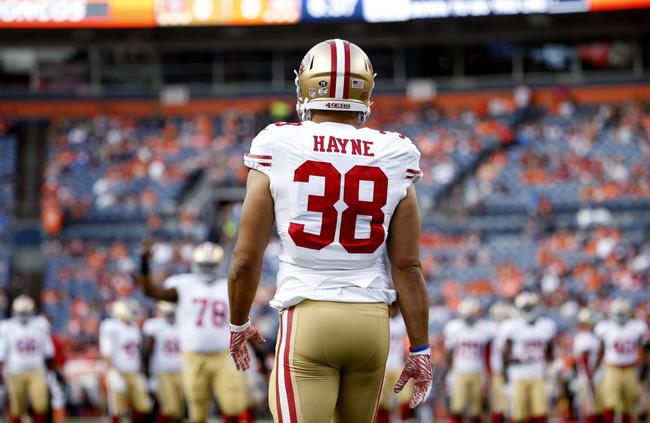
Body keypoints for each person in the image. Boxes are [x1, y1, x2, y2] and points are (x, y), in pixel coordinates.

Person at [227, 38, 432, 423]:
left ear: (306, 85)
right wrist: (420, 348)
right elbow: (408, 267)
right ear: (366, 90)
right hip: (371, 323)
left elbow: (245, 257)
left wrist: (238, 322)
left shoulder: (278, 141)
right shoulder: (396, 150)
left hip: (308, 314)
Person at [139, 242, 250, 423]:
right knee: (197, 411)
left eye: (211, 265)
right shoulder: (184, 284)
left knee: (234, 405)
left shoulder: (227, 285)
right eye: (204, 265)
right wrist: (144, 265)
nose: (207, 269)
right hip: (193, 356)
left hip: (223, 355)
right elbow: (150, 291)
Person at [502, 292, 556, 423]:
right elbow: (505, 355)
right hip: (518, 375)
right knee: (518, 414)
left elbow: (550, 352)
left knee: (540, 412)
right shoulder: (512, 326)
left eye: (530, 307)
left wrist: (550, 369)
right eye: (525, 308)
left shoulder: (546, 326)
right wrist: (519, 360)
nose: (528, 311)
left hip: (538, 374)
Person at [0, 295, 55, 423]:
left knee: (41, 404)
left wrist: (52, 369)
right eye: (20, 312)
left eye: (25, 312)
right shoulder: (6, 327)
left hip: (37, 370)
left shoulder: (40, 324)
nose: (23, 315)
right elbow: (2, 353)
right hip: (14, 371)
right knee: (17, 407)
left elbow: (48, 350)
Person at [594, 298, 647, 423]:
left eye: (623, 313)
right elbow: (601, 350)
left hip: (630, 368)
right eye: (618, 313)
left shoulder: (636, 326)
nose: (620, 316)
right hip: (612, 369)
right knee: (610, 402)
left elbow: (642, 350)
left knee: (628, 402)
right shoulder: (605, 327)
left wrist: (643, 369)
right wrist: (596, 369)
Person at [99, 300, 152, 423]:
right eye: (132, 312)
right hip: (118, 371)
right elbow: (107, 352)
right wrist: (111, 372)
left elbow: (137, 354)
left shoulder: (134, 328)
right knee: (118, 408)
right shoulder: (110, 327)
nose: (135, 315)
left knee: (144, 406)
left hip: (134, 372)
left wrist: (141, 372)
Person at [443, 298, 492, 423]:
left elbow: (487, 354)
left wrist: (488, 374)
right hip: (459, 371)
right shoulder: (454, 328)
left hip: (478, 371)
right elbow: (449, 353)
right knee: (457, 406)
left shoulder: (484, 329)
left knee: (477, 408)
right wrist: (447, 372)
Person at [143, 301, 184, 423]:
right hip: (162, 372)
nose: (171, 316)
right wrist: (147, 373)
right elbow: (147, 351)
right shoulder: (154, 326)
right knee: (170, 409)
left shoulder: (182, 324)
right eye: (168, 313)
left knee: (179, 410)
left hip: (180, 371)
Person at [376, 303, 411, 423]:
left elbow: (406, 344)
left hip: (397, 364)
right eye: (391, 306)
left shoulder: (402, 322)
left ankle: (405, 420)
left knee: (406, 397)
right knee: (381, 401)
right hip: (383, 365)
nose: (392, 309)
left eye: (394, 306)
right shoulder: (381, 320)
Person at [573, 308, 603, 423]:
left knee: (596, 407)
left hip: (592, 375)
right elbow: (584, 359)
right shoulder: (584, 337)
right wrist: (589, 376)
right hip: (589, 376)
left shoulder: (589, 336)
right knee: (591, 408)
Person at [486, 301, 511, 423]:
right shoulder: (491, 329)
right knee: (499, 403)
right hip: (498, 370)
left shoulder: (511, 328)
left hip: (510, 370)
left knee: (508, 403)